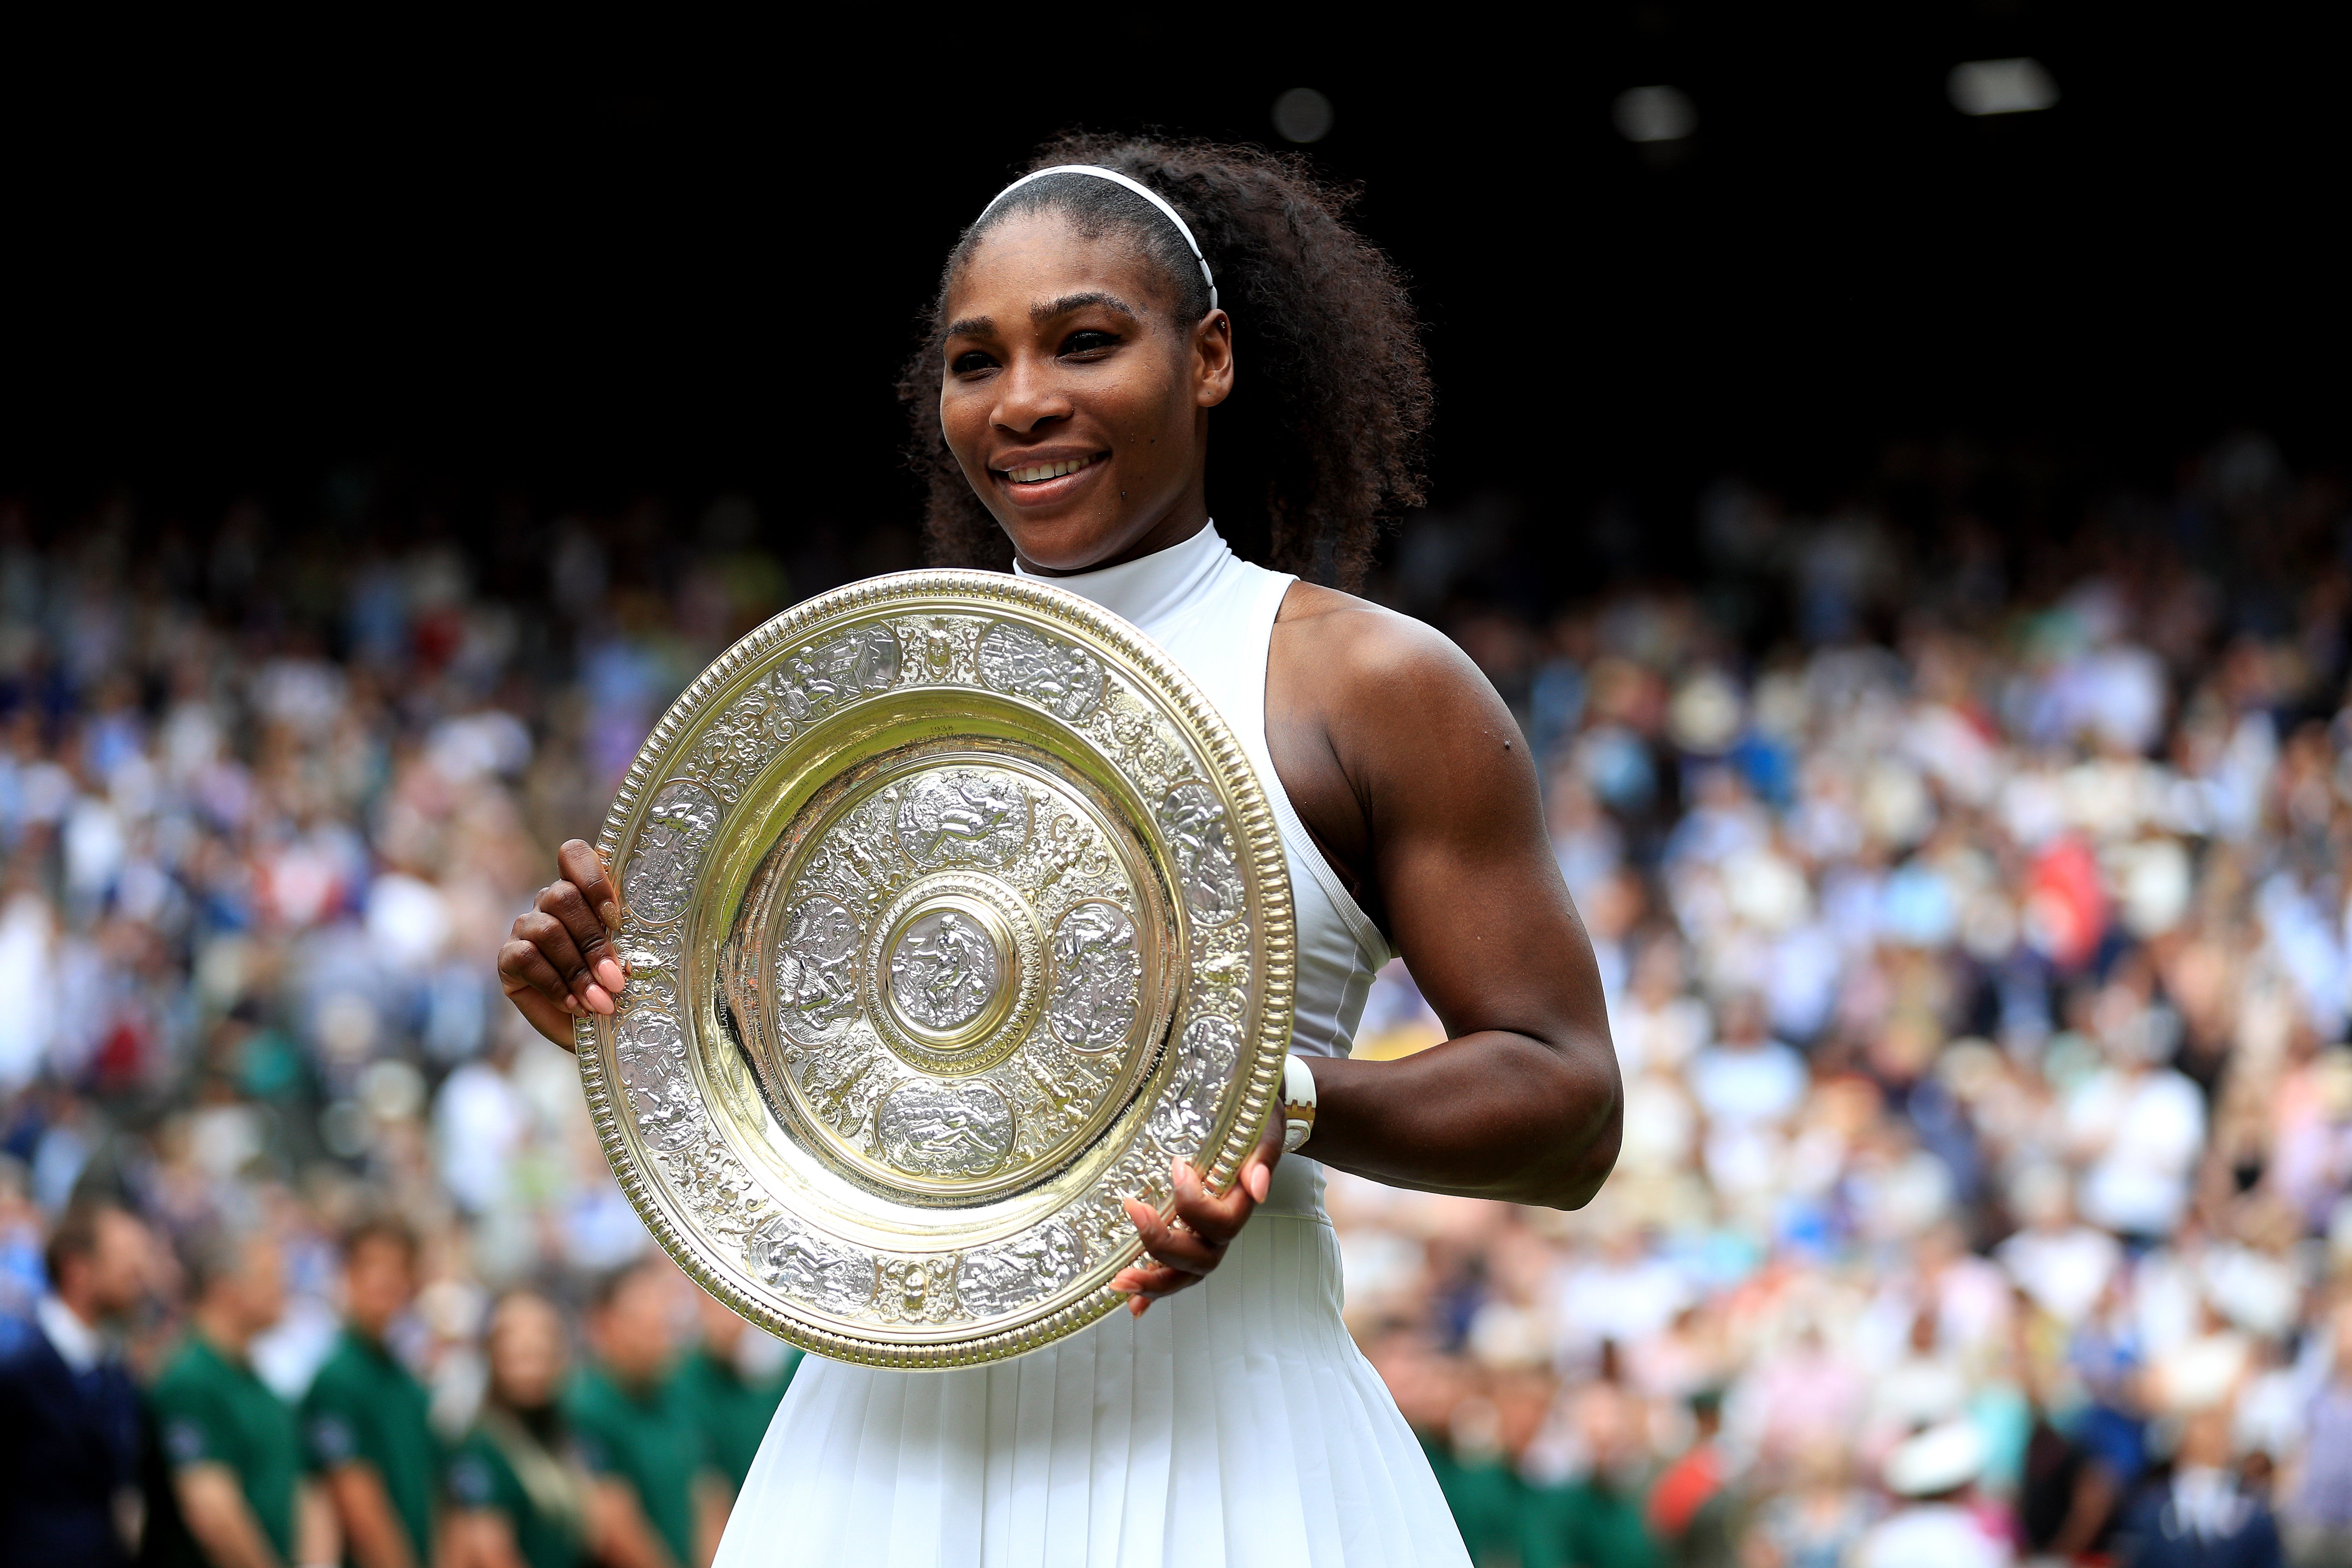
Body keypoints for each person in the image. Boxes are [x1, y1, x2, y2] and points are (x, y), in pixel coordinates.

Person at [499, 133, 1623, 1567]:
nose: (1025, 402)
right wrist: (624, 1004)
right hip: (876, 1466)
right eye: (977, 363)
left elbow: (1571, 1108)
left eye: (1084, 343)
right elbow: (823, 1092)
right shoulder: (860, 701)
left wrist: (1263, 1099)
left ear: (1208, 358)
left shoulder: (1371, 685)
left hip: (1234, 1457)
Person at [147, 1231, 335, 1568]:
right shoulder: (190, 1381)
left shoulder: (264, 1388)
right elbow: (213, 1514)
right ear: (224, 1287)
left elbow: (306, 1490)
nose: (284, 1290)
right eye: (268, 1277)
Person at [0, 1196, 152, 1565]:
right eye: (126, 1259)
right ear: (78, 1269)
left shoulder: (115, 1373)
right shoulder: (17, 1371)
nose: (140, 1275)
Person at [562, 1260, 721, 1568]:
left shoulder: (681, 1397)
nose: (658, 1335)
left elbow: (708, 1493)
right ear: (603, 1323)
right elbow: (613, 1526)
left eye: (663, 1324)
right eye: (643, 1323)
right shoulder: (586, 1407)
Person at [300, 1217, 437, 1568]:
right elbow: (361, 1512)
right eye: (372, 1265)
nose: (386, 1279)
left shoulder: (406, 1379)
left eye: (399, 1268)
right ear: (347, 1274)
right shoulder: (338, 1378)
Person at [446, 1291, 591, 1568]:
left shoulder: (557, 1436)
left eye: (542, 1344)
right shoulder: (481, 1447)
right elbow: (491, 1555)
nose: (531, 1355)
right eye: (518, 1347)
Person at [671, 1286, 798, 1501]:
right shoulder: (682, 1386)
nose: (727, 1321)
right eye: (716, 1304)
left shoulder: (767, 1380)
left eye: (735, 1305)